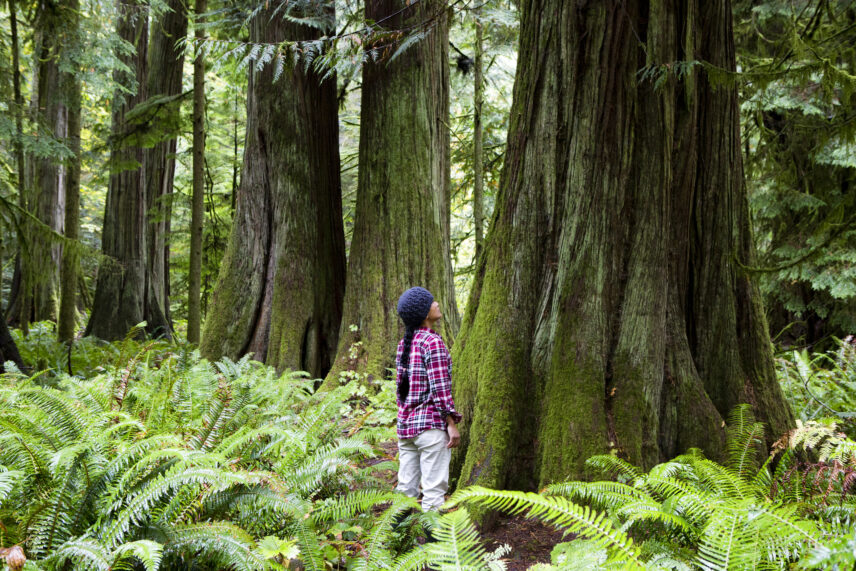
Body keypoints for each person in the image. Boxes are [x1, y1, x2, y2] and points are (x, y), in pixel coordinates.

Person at [394, 286, 462, 512]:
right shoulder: (432, 342)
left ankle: (394, 542)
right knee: (433, 492)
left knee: (405, 490)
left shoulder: (404, 344)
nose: (437, 304)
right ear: (424, 313)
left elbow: (400, 391)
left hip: (406, 429)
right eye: (432, 303)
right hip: (430, 429)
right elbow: (441, 389)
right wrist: (451, 424)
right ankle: (433, 546)